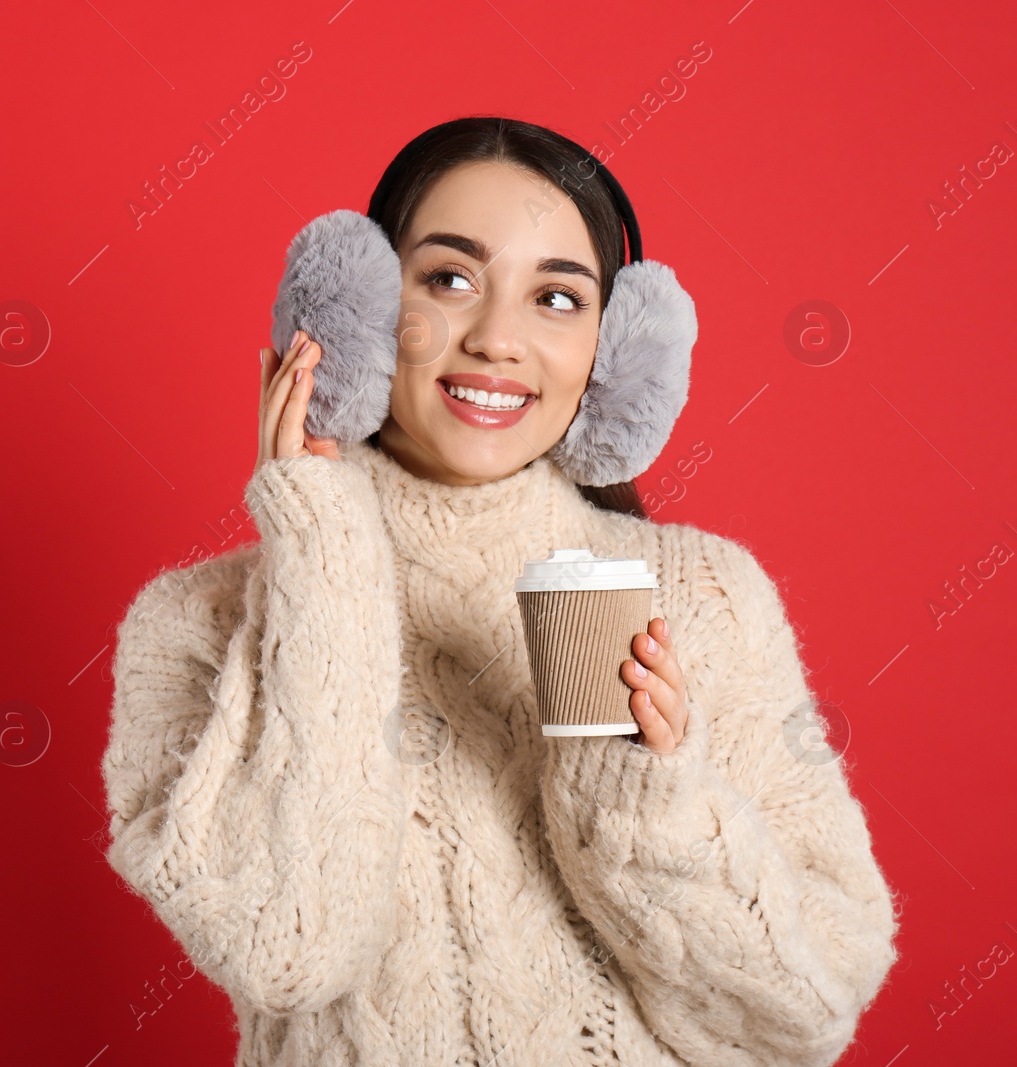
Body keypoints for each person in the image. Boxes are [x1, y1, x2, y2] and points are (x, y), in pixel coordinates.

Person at [99, 116, 899, 1066]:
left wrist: (639, 793)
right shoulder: (197, 623)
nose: (497, 339)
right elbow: (292, 948)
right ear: (357, 307)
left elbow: (802, 1016)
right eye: (448, 279)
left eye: (557, 297)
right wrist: (320, 552)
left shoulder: (705, 593)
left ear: (613, 354)